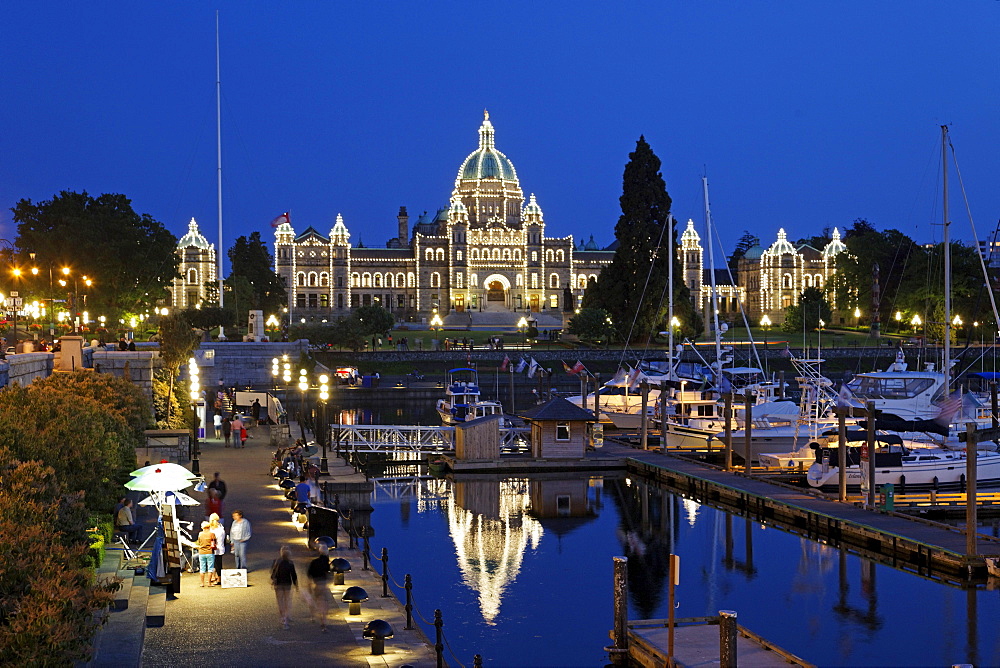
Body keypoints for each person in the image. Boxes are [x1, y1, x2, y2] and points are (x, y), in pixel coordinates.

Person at [270, 546, 298, 629]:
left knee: (280, 601)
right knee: (287, 600)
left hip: (278, 584)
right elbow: (294, 576)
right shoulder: (290, 563)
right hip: (287, 584)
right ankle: (287, 616)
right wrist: (296, 586)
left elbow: (272, 574)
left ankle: (282, 617)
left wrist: (273, 580)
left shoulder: (276, 561)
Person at [307, 544, 332, 632]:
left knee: (317, 601)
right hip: (323, 585)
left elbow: (309, 574)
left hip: (316, 584)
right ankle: (324, 621)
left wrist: (309, 584)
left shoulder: (314, 562)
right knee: (324, 603)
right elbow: (328, 573)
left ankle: (314, 616)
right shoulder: (326, 562)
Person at [197, 521, 216, 587]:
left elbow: (199, 542)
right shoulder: (212, 534)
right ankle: (209, 583)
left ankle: (202, 583)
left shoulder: (200, 534)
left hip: (201, 552)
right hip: (210, 552)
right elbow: (214, 543)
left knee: (202, 568)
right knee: (210, 568)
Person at [209, 513, 226, 584]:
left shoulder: (214, 530)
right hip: (220, 547)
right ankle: (215, 577)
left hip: (216, 548)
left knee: (217, 565)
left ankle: (219, 579)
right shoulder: (221, 528)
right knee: (217, 564)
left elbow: (212, 538)